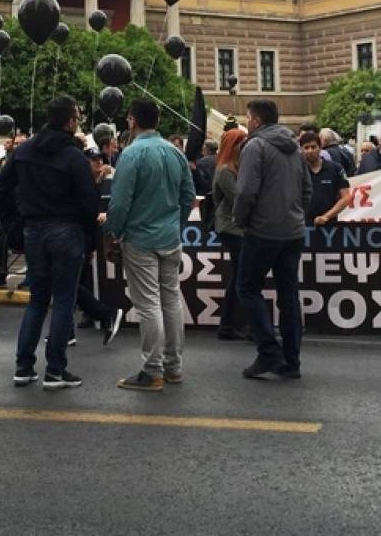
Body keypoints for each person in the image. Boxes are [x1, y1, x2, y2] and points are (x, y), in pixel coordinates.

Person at [0, 96, 97, 391]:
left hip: (33, 230)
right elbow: (89, 201)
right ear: (69, 122)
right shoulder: (73, 156)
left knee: (37, 300)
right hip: (66, 229)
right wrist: (89, 236)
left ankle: (24, 365)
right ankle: (55, 369)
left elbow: (1, 189)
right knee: (64, 300)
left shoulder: (24, 150)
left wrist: (14, 225)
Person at [102, 100, 195, 391]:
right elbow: (188, 195)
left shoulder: (132, 154)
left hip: (141, 238)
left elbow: (119, 203)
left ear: (131, 121)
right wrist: (176, 225)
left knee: (148, 304)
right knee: (170, 299)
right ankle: (173, 366)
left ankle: (152, 369)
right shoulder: (174, 152)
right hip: (170, 237)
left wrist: (112, 232)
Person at [234, 99, 311, 380]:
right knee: (289, 295)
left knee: (247, 288)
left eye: (247, 117)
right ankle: (292, 360)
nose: (245, 122)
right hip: (293, 231)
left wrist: (241, 219)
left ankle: (268, 351)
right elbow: (307, 189)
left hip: (263, 230)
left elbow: (244, 192)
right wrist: (296, 215)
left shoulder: (255, 146)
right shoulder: (296, 149)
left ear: (255, 121)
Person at [74, 148, 124, 344]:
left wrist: (107, 216)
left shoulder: (110, 183)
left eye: (97, 160)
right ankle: (91, 316)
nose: (94, 163)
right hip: (85, 235)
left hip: (98, 236)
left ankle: (102, 313)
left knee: (72, 282)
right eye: (91, 160)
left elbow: (118, 205)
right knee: (77, 280)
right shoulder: (82, 183)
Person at [211, 128, 251, 340]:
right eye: (241, 143)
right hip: (231, 227)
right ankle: (234, 323)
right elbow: (238, 198)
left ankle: (229, 324)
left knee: (239, 275)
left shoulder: (233, 167)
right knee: (241, 276)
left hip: (235, 227)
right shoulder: (226, 170)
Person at [300, 132, 350, 226]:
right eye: (306, 148)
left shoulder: (336, 168)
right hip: (302, 226)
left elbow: (346, 197)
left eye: (313, 147)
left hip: (329, 225)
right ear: (301, 150)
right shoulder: (297, 170)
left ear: (320, 147)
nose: (310, 150)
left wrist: (326, 216)